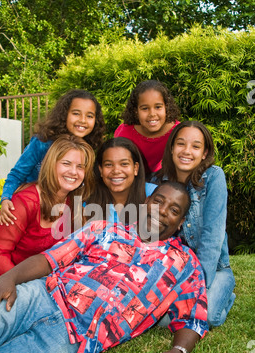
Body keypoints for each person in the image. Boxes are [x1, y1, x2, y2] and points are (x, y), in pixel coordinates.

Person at [0, 182, 208, 353]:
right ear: (146, 202)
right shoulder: (105, 229)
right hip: (45, 295)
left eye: (173, 209)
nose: (162, 212)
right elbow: (52, 258)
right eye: (158, 201)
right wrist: (9, 278)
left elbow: (193, 316)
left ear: (181, 221)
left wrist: (180, 350)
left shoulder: (185, 264)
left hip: (75, 338)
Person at [0, 134, 95, 314]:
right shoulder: (25, 202)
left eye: (80, 167)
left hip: (26, 281)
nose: (73, 172)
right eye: (66, 163)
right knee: (2, 322)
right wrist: (13, 286)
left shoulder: (73, 203)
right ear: (51, 164)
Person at [151, 120, 235, 328]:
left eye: (195, 146)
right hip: (177, 270)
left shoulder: (214, 177)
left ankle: (226, 291)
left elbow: (212, 237)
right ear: (171, 148)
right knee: (162, 321)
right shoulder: (159, 181)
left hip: (214, 268)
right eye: (181, 144)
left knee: (208, 317)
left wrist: (199, 288)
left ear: (204, 153)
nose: (187, 151)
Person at [0, 89, 105, 226]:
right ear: (64, 115)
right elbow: (17, 173)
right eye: (76, 113)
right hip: (32, 208)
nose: (83, 120)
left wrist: (82, 208)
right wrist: (6, 198)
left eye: (90, 116)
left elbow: (82, 185)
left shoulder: (88, 149)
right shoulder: (42, 143)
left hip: (60, 213)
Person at [114, 80, 180, 177]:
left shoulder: (177, 132)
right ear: (136, 111)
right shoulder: (125, 133)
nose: (152, 114)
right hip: (133, 180)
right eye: (145, 108)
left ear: (166, 107)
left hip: (166, 180)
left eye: (158, 107)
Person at [84, 137, 156, 224]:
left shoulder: (154, 194)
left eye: (124, 164)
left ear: (135, 168)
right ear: (100, 170)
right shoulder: (87, 198)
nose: (116, 171)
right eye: (109, 164)